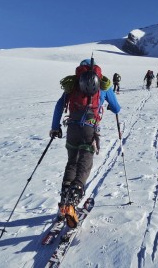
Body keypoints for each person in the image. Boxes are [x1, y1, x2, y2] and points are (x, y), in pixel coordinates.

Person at [49, 58, 121, 227]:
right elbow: (117, 107)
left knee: (72, 162)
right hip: (90, 130)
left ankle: (64, 202)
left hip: (72, 129)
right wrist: (109, 106)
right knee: (85, 164)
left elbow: (59, 106)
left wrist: (55, 127)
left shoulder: (73, 84)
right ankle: (73, 203)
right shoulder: (103, 85)